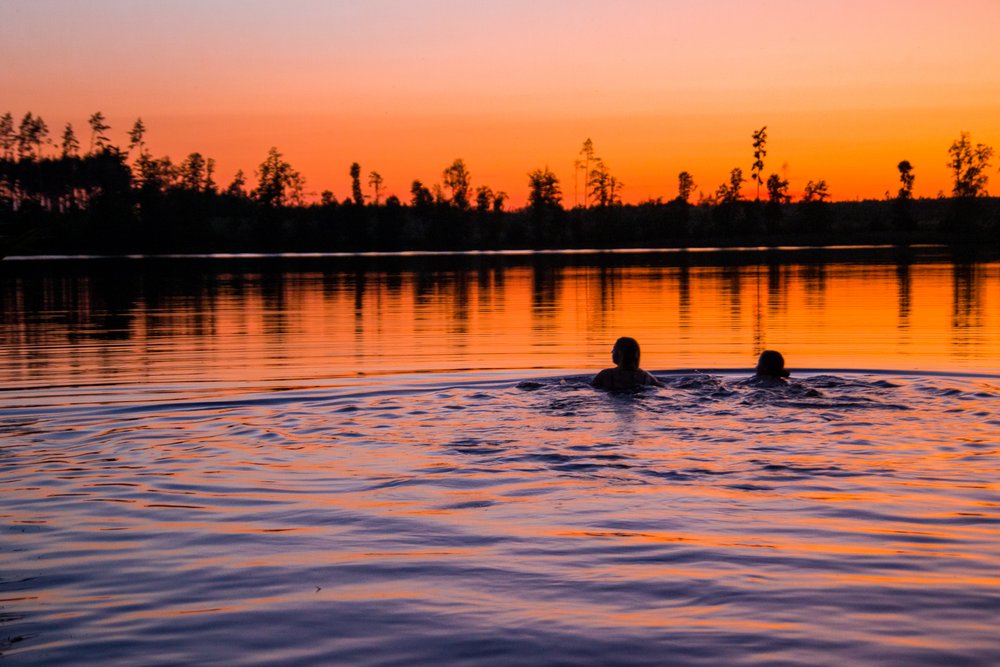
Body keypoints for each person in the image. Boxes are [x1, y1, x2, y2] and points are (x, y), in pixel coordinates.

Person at [592, 337, 662, 389]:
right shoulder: (646, 376)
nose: (611, 352)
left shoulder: (606, 374)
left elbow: (592, 387)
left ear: (619, 353)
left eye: (614, 349)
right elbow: (661, 387)